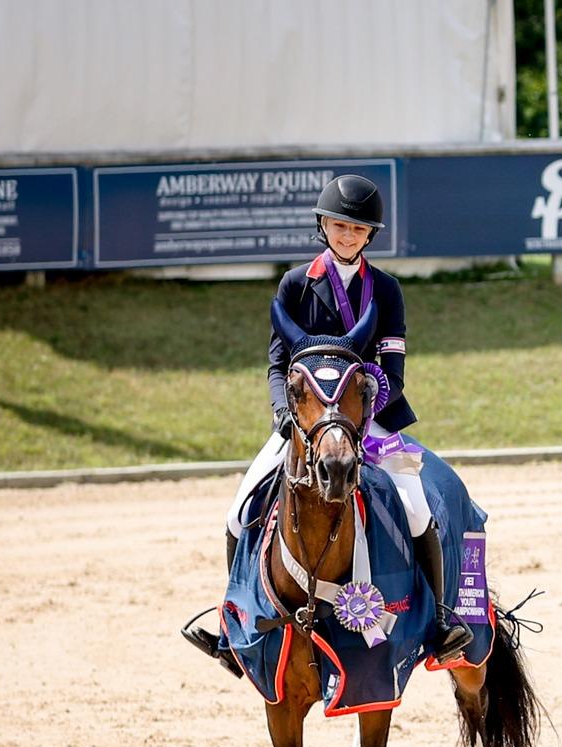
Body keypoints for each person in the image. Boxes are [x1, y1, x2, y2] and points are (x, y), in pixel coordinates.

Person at [183, 174, 472, 675]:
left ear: (369, 236)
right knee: (238, 510)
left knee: (418, 506)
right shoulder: (296, 284)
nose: (347, 236)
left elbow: (394, 372)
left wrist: (360, 417)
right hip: (304, 422)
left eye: (358, 230)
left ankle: (440, 623)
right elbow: (278, 365)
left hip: (367, 421)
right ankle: (236, 626)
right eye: (339, 226)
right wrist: (284, 412)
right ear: (323, 226)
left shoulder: (387, 290)